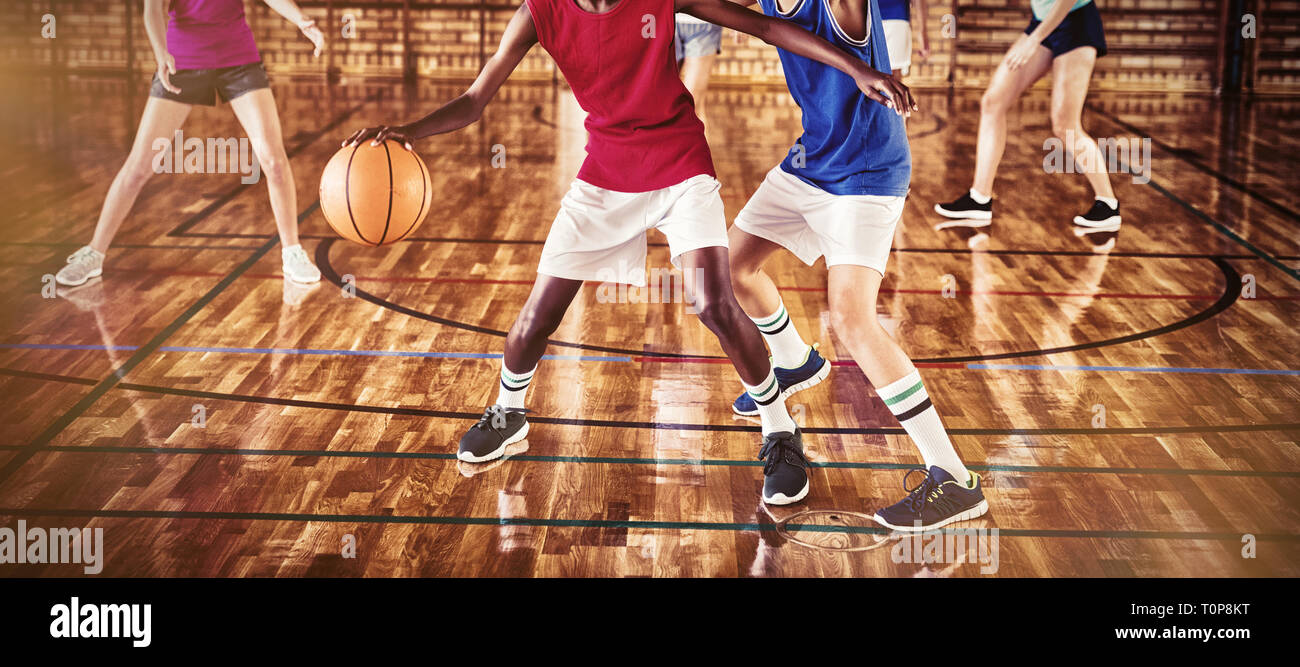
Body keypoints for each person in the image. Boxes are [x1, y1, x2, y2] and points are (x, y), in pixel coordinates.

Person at [343, 0, 914, 505]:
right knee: (534, 320)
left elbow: (766, 27)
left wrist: (857, 66)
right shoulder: (537, 14)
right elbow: (473, 100)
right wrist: (408, 132)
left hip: (680, 165)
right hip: (605, 176)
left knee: (714, 304)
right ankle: (509, 413)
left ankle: (780, 432)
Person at [725, 0, 987, 530]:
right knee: (731, 271)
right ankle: (795, 359)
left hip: (865, 173)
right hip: (810, 162)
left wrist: (863, 66)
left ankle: (954, 477)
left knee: (851, 319)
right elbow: (751, 20)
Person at [54, 0, 324, 287]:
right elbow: (153, 10)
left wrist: (301, 20)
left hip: (238, 60)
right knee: (138, 167)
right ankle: (93, 253)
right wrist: (160, 52)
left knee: (274, 161)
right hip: (181, 61)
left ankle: (292, 251)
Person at [934, 0, 1119, 231]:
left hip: (1075, 22)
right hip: (1043, 22)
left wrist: (1034, 39)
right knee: (993, 102)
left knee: (1065, 124)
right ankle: (979, 198)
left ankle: (1108, 204)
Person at [674, 13, 723, 128]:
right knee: (660, 105)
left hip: (704, 20)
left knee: (692, 106)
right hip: (664, 18)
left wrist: (737, 12)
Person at [879, 0, 929, 79]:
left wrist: (923, 33)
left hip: (895, 16)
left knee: (892, 74)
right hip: (872, 16)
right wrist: (922, 33)